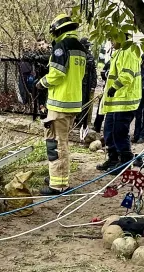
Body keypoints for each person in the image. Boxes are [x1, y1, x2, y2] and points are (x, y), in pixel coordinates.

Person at [33, 14, 86, 195]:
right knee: (61, 143)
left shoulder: (61, 47)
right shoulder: (80, 48)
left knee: (55, 144)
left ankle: (58, 184)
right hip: (72, 104)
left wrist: (42, 83)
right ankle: (57, 176)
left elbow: (57, 74)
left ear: (57, 30)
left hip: (60, 105)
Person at [96, 33, 142, 174]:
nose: (110, 41)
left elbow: (127, 75)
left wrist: (114, 87)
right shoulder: (118, 53)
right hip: (115, 101)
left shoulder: (129, 51)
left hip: (125, 101)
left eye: (112, 37)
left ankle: (125, 162)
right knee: (109, 131)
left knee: (120, 132)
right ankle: (113, 159)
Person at [75, 37, 98, 131]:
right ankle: (77, 121)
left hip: (86, 83)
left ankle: (82, 122)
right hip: (77, 82)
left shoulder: (89, 57)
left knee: (85, 103)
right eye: (86, 47)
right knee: (77, 102)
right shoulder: (77, 55)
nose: (88, 49)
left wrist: (93, 84)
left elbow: (93, 71)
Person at [93, 59, 111, 133]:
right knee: (101, 108)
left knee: (108, 111)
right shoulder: (110, 62)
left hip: (114, 91)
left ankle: (104, 129)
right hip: (106, 88)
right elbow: (103, 73)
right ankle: (97, 126)